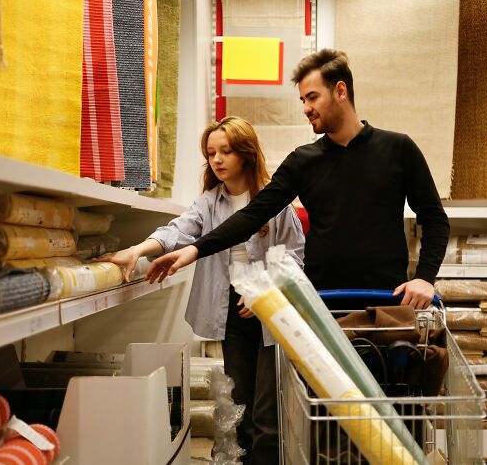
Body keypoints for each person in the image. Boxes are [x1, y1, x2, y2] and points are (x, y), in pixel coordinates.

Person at [147, 48, 449, 309]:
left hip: (387, 300)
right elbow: (253, 215)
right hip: (320, 303)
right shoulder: (303, 161)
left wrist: (424, 277)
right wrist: (194, 249)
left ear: (341, 91)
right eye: (303, 99)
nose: (306, 108)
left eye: (313, 97)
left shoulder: (398, 149)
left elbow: (434, 218)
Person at [100, 116, 304, 465]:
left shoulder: (276, 202)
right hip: (231, 315)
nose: (217, 160)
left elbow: (296, 258)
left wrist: (266, 293)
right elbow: (177, 231)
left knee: (269, 410)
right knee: (238, 406)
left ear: (247, 153)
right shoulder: (210, 202)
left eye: (226, 151)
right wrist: (138, 250)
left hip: (271, 313)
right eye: (211, 153)